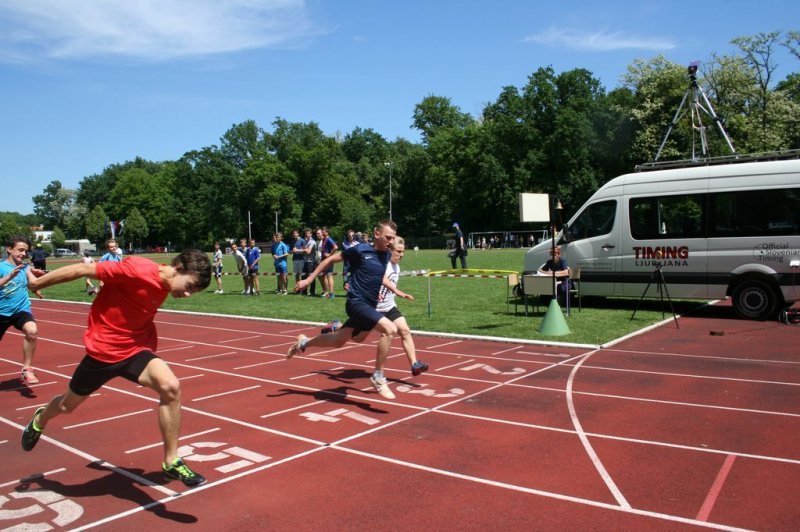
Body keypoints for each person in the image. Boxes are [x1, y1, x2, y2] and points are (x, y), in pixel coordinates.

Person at [21, 249, 212, 487]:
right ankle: (40, 419)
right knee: (65, 406)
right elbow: (82, 269)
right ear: (179, 268)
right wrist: (37, 282)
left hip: (134, 350)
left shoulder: (168, 282)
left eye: (193, 292)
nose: (187, 294)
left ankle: (171, 461)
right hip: (102, 352)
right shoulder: (137, 269)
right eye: (189, 286)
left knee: (171, 387)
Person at [288, 220, 399, 400]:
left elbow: (378, 275)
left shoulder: (385, 255)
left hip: (369, 305)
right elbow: (331, 259)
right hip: (356, 302)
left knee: (342, 340)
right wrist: (308, 280)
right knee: (390, 329)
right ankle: (378, 377)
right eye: (388, 237)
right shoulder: (360, 249)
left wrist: (392, 289)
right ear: (377, 234)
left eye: (393, 238)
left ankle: (304, 343)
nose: (391, 242)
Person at [376, 237, 429, 376]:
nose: (402, 255)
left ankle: (414, 364)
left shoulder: (396, 267)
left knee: (405, 331)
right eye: (398, 251)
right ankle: (336, 326)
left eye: (403, 252)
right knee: (355, 335)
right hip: (372, 309)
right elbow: (375, 279)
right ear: (389, 250)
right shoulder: (382, 264)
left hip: (388, 307)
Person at [1, 236, 44, 385]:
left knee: (32, 331)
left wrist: (36, 288)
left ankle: (27, 369)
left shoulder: (25, 268)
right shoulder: (1, 267)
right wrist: (9, 276)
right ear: (9, 249)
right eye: (20, 250)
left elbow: (31, 282)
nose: (23, 253)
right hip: (1, 312)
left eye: (25, 251)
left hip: (21, 309)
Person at [319, 227, 338, 298]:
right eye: (322, 232)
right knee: (325, 276)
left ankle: (331, 294)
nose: (322, 233)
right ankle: (327, 293)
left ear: (327, 232)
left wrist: (330, 254)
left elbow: (336, 247)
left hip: (329, 260)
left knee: (329, 276)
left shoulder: (329, 239)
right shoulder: (324, 239)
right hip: (324, 260)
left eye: (323, 232)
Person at [300, 228, 319, 297]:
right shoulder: (307, 242)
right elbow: (305, 251)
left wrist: (301, 250)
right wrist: (303, 250)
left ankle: (312, 292)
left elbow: (308, 252)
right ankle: (304, 291)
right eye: (306, 233)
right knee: (303, 276)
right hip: (306, 262)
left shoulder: (312, 242)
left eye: (308, 233)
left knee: (311, 277)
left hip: (311, 262)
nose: (307, 235)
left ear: (311, 234)